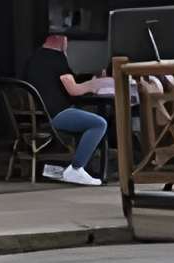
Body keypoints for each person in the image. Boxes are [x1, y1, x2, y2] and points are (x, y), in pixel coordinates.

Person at [22, 26, 114, 186]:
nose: (67, 43)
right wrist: (96, 83)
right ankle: (76, 169)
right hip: (56, 114)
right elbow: (74, 90)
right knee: (99, 123)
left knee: (85, 117)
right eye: (67, 40)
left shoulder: (34, 58)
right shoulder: (56, 58)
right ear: (59, 39)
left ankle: (82, 169)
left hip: (39, 115)